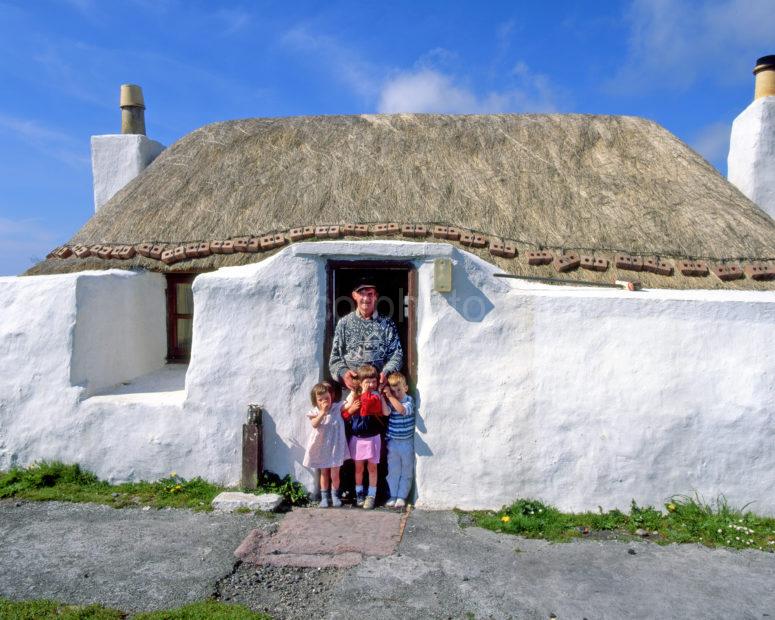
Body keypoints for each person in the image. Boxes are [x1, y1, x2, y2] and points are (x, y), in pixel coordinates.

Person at [329, 277, 403, 390]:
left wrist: (386, 373)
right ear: (354, 295)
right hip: (351, 393)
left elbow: (397, 355)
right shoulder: (344, 323)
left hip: (378, 391)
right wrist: (344, 374)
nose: (366, 298)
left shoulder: (387, 324)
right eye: (362, 294)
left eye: (370, 294)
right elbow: (335, 359)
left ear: (376, 296)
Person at [345, 364, 389, 509]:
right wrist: (350, 409)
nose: (371, 385)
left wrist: (365, 394)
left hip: (373, 438)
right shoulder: (354, 395)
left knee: (372, 468)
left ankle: (371, 495)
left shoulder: (376, 396)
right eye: (367, 382)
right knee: (358, 468)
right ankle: (359, 493)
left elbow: (366, 409)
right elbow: (346, 412)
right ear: (360, 382)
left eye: (373, 381)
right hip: (358, 438)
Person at [303, 382, 350, 508]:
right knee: (324, 472)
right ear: (315, 401)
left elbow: (348, 403)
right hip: (322, 448)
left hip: (335, 446)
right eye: (320, 399)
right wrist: (322, 412)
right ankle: (324, 497)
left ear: (331, 397)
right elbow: (314, 424)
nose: (325, 401)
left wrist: (354, 389)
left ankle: (335, 495)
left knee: (335, 472)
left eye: (327, 398)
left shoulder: (336, 408)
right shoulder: (315, 412)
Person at [381, 372, 415, 510]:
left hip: (406, 443)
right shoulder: (391, 401)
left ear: (405, 388)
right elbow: (386, 412)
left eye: (399, 390)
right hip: (393, 442)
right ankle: (393, 495)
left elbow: (402, 410)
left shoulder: (409, 401)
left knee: (406, 470)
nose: (396, 393)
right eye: (393, 391)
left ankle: (402, 496)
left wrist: (390, 396)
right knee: (393, 470)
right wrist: (384, 397)